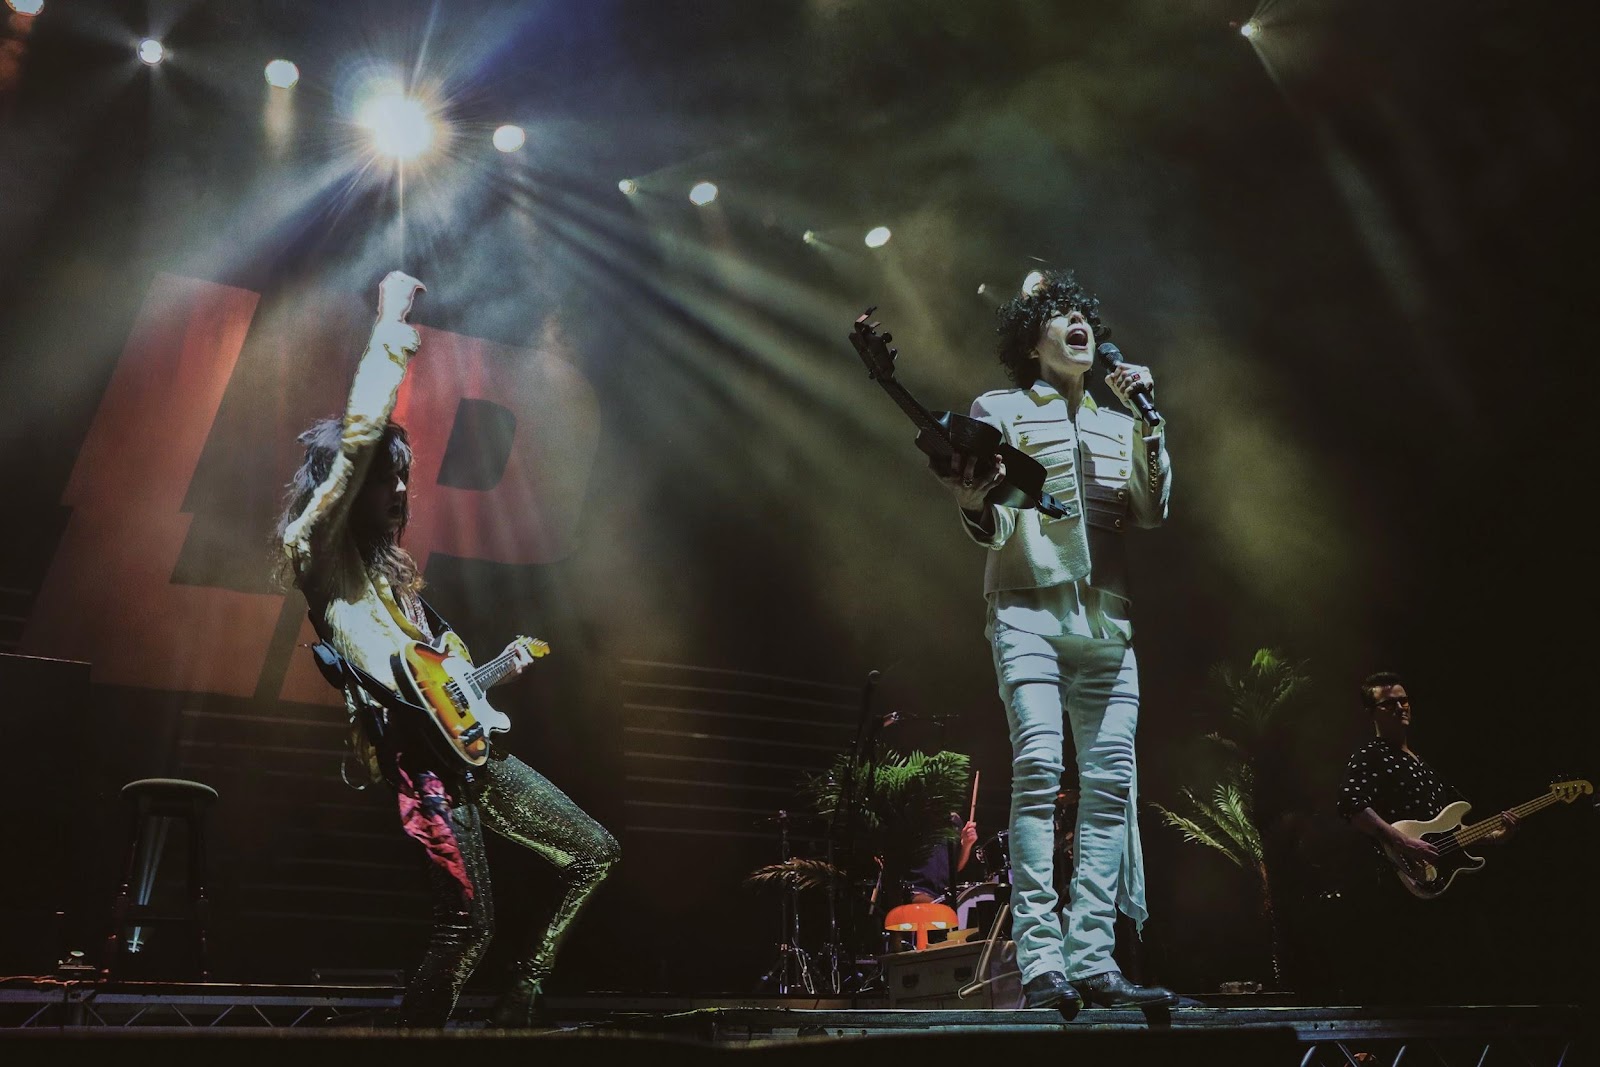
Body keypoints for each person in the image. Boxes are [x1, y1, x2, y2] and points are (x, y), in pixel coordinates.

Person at [273, 271, 620, 1028]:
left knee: (595, 851)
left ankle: (523, 997)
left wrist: (486, 680)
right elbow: (360, 438)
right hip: (421, 764)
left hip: (469, 751)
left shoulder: (398, 577)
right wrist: (392, 321)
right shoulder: (318, 550)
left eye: (404, 479)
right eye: (385, 481)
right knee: (466, 928)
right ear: (345, 487)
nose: (401, 492)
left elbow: (436, 675)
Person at [936, 269, 1176, 1011]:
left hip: (1106, 618)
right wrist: (974, 502)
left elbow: (1150, 511)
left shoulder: (1119, 420)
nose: (1078, 324)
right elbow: (995, 520)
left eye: (1084, 316)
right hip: (1026, 609)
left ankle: (1094, 958)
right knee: (1039, 765)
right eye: (1060, 314)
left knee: (1110, 784)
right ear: (1031, 341)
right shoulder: (1000, 409)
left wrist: (1149, 425)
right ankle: (1042, 959)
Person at [1334, 671, 1516, 1000]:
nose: (1400, 707)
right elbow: (1351, 805)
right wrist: (1402, 841)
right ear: (1371, 712)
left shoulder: (1424, 766)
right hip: (1396, 880)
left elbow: (1453, 831)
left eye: (1403, 700)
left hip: (1437, 882)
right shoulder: (1370, 755)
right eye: (1389, 703)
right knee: (1411, 978)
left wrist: (1495, 837)